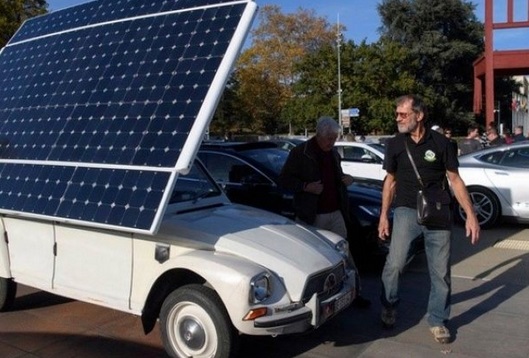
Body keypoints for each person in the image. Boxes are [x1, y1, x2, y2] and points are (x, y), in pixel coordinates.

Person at [378, 95, 480, 344]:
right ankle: (389, 305)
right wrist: (384, 216)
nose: (398, 118)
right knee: (395, 264)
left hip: (437, 213)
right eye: (397, 114)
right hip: (405, 211)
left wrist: (471, 215)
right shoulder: (394, 144)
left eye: (403, 114)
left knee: (440, 272)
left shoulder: (443, 143)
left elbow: (455, 180)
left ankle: (437, 320)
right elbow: (390, 182)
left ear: (419, 115)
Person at [279, 116, 371, 308]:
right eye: (329, 138)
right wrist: (306, 186)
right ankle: (313, 299)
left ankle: (354, 292)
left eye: (335, 138)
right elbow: (284, 181)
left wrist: (346, 179)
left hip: (335, 212)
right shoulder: (300, 153)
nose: (332, 142)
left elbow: (336, 178)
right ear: (319, 135)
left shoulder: (333, 154)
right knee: (314, 258)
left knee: (345, 254)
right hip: (312, 215)